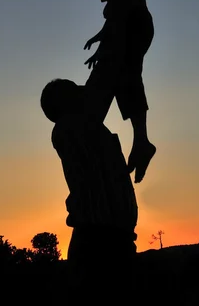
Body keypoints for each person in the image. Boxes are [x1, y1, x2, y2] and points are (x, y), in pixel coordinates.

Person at [70, 0, 156, 184]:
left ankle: (141, 140)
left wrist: (106, 43)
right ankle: (140, 140)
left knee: (126, 74)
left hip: (134, 25)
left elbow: (125, 6)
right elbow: (116, 11)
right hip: (127, 26)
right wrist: (103, 38)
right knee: (125, 77)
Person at [40, 78, 138, 301]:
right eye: (75, 92)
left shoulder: (83, 128)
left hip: (108, 235)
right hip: (100, 237)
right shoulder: (71, 129)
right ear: (67, 102)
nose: (84, 94)